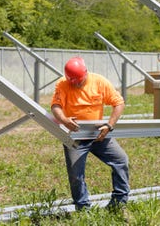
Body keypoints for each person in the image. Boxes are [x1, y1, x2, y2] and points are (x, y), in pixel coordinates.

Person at [51, 56, 130, 210]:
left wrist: (109, 125)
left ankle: (119, 203)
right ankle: (83, 208)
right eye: (73, 81)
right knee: (76, 173)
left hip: (98, 134)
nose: (77, 84)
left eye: (80, 80)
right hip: (75, 136)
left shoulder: (99, 81)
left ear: (86, 72)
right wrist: (64, 119)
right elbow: (56, 105)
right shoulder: (62, 84)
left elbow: (119, 103)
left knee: (121, 160)